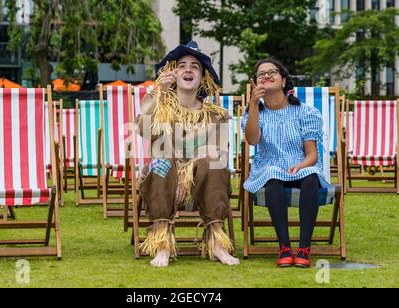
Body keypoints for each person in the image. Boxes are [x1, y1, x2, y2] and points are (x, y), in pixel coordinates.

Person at [135, 41, 239, 267]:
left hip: (204, 181)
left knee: (215, 162)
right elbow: (142, 129)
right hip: (164, 180)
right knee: (161, 162)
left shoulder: (215, 115)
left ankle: (218, 243)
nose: (188, 69)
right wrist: (158, 92)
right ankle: (162, 245)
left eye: (195, 66)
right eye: (182, 65)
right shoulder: (161, 109)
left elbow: (219, 152)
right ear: (173, 73)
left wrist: (188, 172)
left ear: (203, 77)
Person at [241, 58, 329, 268]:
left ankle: (304, 248)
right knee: (273, 176)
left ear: (283, 81)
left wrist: (300, 165)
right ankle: (285, 247)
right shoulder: (255, 113)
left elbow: (312, 154)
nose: (266, 76)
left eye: (272, 72)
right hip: (268, 168)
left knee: (310, 176)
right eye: (261, 74)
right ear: (256, 84)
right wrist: (253, 104)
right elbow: (252, 140)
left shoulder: (305, 113)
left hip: (299, 166)